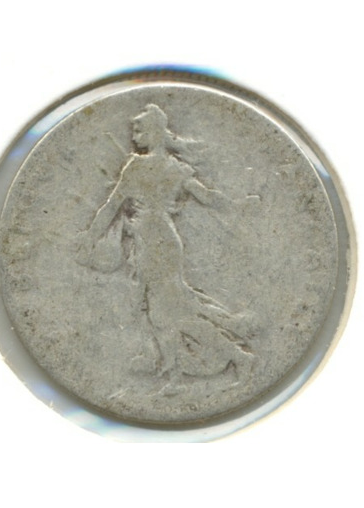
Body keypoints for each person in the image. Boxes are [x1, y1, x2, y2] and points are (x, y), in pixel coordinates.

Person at [76, 104, 252, 389]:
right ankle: (176, 376)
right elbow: (207, 197)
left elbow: (111, 206)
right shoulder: (176, 168)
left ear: (154, 132)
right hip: (163, 238)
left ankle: (233, 358)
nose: (134, 136)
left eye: (138, 130)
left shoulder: (137, 166)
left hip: (151, 240)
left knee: (164, 313)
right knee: (165, 312)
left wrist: (90, 238)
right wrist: (238, 206)